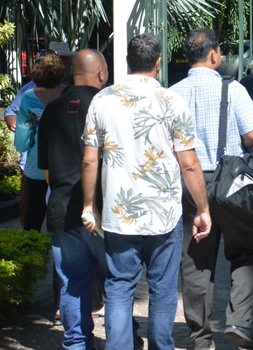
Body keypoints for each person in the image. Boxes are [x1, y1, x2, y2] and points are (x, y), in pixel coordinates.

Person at [81, 33, 212, 350]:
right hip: (162, 214)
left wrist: (89, 206)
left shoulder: (102, 100)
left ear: (127, 62)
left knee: (119, 286)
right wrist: (203, 208)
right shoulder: (172, 101)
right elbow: (190, 164)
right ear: (158, 62)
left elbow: (89, 159)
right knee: (163, 288)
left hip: (119, 213)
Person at [39, 49, 143, 350]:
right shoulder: (111, 105)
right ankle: (124, 339)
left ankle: (76, 342)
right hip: (106, 210)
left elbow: (46, 170)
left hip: (63, 208)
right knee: (117, 283)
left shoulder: (52, 109)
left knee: (72, 281)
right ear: (101, 73)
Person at [171, 29, 253, 350]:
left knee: (196, 259)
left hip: (189, 181)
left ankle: (200, 338)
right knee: (244, 251)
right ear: (213, 54)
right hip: (230, 181)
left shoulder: (172, 93)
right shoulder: (233, 89)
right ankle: (239, 321)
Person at [13, 51, 68, 231]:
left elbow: (23, 137)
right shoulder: (68, 94)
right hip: (64, 165)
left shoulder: (29, 96)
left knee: (33, 216)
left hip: (36, 164)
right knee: (64, 218)